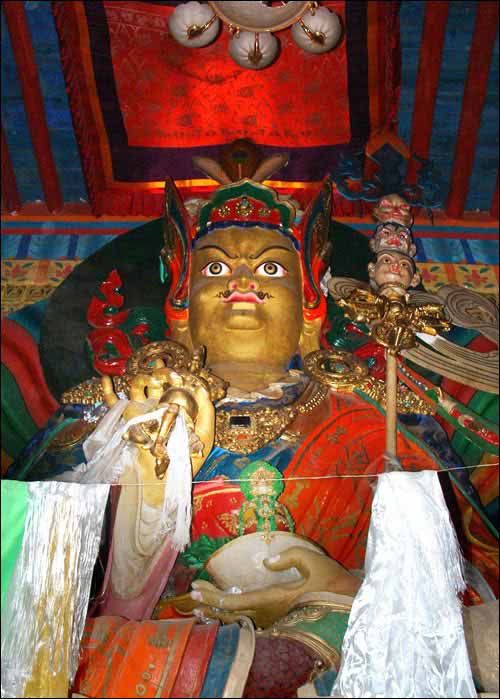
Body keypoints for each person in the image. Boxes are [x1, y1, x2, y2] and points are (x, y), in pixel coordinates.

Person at [7, 176, 498, 697]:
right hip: (153, 647)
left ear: (310, 306)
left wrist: (342, 592)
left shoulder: (375, 414)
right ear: (181, 304)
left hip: (343, 652)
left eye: (271, 268)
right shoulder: (108, 413)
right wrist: (141, 483)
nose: (242, 281)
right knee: (57, 651)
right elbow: (30, 577)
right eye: (216, 268)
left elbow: (460, 582)